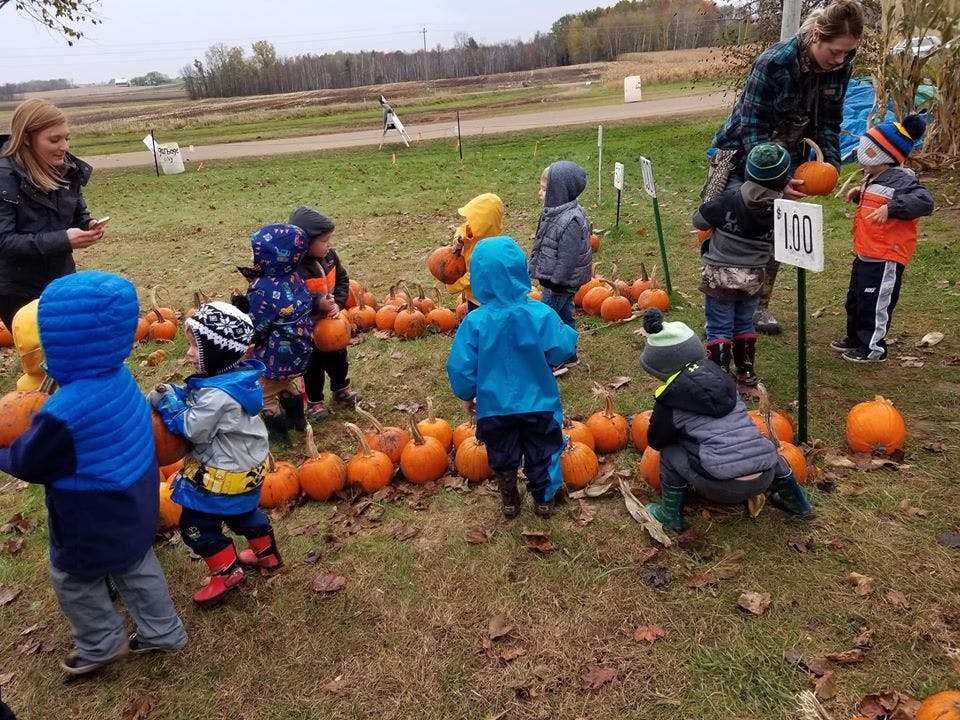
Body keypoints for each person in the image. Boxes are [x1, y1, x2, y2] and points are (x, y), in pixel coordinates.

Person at [0, 271, 187, 675]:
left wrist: (5, 450)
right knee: (135, 562)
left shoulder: (63, 410)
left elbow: (31, 462)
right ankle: (164, 631)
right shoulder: (118, 376)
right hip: (137, 491)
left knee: (74, 577)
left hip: (90, 509)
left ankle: (100, 643)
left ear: (59, 339)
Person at [704, 0, 865, 335]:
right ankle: (721, 309)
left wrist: (830, 165)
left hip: (790, 154)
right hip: (745, 154)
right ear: (817, 36)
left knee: (774, 234)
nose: (841, 59)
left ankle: (757, 307)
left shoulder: (841, 65)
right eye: (836, 51)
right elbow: (752, 128)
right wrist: (775, 178)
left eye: (847, 53)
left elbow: (830, 122)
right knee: (735, 228)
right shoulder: (774, 63)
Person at [151, 301, 281, 605]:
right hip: (248, 468)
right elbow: (205, 400)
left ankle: (226, 572)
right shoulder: (235, 379)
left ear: (218, 354)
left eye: (195, 349)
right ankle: (268, 555)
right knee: (243, 513)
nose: (187, 355)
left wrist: (168, 402)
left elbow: (193, 429)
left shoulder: (217, 396)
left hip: (223, 475)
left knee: (196, 525)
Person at [639, 309, 811, 531]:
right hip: (765, 475)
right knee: (759, 444)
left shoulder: (669, 401)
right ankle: (799, 504)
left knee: (670, 452)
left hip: (723, 487)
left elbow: (656, 440)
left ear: (659, 369)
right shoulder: (725, 382)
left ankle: (670, 515)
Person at [447, 236, 578, 518]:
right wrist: (563, 337)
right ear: (520, 271)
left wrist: (467, 392)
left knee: (502, 452)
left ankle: (509, 496)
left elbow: (461, 366)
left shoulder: (475, 321)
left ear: (478, 278)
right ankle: (544, 498)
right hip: (539, 402)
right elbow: (562, 348)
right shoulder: (539, 313)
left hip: (494, 406)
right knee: (543, 450)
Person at [831, 114, 934, 362]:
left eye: (868, 157)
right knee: (855, 300)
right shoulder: (875, 177)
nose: (862, 164)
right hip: (866, 251)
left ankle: (874, 347)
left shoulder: (903, 180)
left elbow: (924, 201)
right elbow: (877, 200)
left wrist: (892, 209)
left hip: (885, 254)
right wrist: (859, 194)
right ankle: (855, 338)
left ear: (885, 157)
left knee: (874, 303)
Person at [0, 98, 106, 331]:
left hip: (62, 280)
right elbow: (4, 242)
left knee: (75, 349)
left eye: (66, 138)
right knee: (42, 356)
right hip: (17, 291)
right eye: (54, 140)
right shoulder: (3, 178)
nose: (65, 147)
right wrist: (64, 239)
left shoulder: (67, 171)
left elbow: (79, 211)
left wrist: (89, 224)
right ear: (27, 138)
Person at [693, 143, 792, 385]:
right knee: (744, 322)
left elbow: (699, 221)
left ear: (747, 172)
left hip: (720, 276)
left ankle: (718, 374)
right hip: (753, 278)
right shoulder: (782, 210)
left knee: (719, 326)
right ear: (783, 180)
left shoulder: (728, 200)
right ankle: (746, 371)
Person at [237, 223, 313, 442]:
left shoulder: (263, 287)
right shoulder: (293, 276)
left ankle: (279, 436)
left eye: (256, 252)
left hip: (276, 354)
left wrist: (243, 320)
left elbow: (258, 324)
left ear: (272, 257)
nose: (252, 256)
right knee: (284, 382)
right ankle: (298, 420)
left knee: (264, 393)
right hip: (299, 349)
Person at [289, 206, 362, 419]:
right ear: (304, 242)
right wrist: (317, 303)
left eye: (329, 239)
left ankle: (341, 388)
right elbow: (293, 298)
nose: (328, 244)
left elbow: (342, 279)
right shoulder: (295, 269)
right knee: (312, 367)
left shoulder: (330, 257)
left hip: (333, 323)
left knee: (339, 358)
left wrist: (338, 303)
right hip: (307, 328)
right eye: (323, 241)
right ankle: (314, 402)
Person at [528, 160, 592, 376]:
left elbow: (568, 258)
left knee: (546, 319)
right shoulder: (555, 212)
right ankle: (569, 354)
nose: (539, 193)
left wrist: (555, 283)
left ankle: (555, 361)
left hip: (560, 282)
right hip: (556, 280)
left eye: (545, 189)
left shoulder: (570, 219)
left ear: (559, 190)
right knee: (564, 315)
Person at [444, 193, 504, 313]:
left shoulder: (486, 251)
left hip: (483, 299)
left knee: (481, 322)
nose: (468, 223)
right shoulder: (472, 231)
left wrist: (453, 284)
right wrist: (458, 239)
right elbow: (462, 228)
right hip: (472, 295)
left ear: (482, 224)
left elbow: (474, 276)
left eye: (472, 220)